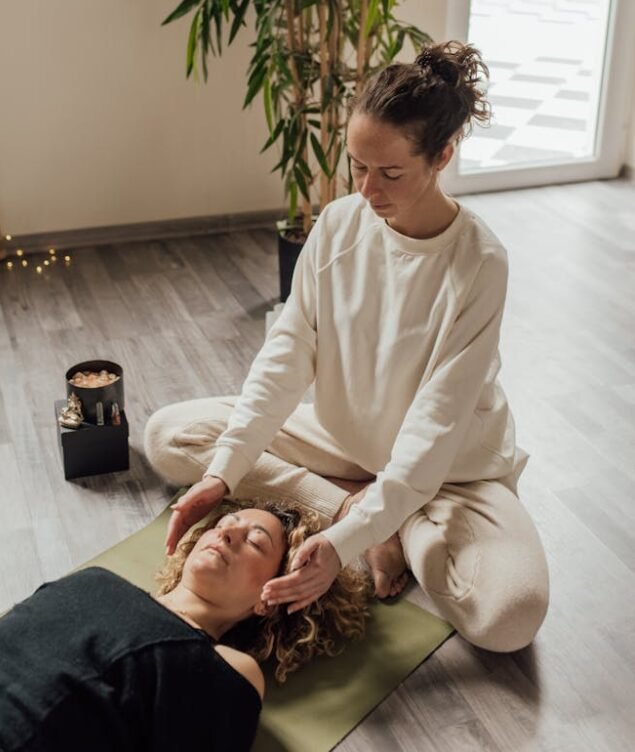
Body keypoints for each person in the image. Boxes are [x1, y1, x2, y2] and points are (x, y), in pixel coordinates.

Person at [144, 40, 551, 653]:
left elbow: (436, 427)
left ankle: (391, 519)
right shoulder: (338, 224)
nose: (367, 190)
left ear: (441, 156)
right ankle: (350, 508)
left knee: (510, 616)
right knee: (173, 437)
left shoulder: (479, 264)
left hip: (452, 472)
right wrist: (226, 473)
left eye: (390, 173)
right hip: (342, 443)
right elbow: (286, 355)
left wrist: (343, 546)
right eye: (357, 165)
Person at [0, 500, 370, 752]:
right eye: (224, 524)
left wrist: (364, 526)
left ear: (275, 597)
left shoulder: (228, 667)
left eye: (255, 542)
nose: (225, 535)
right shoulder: (95, 580)